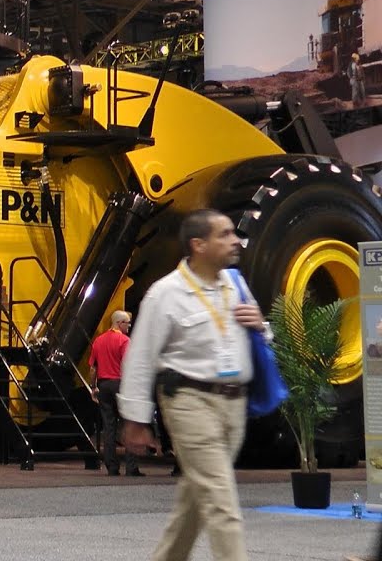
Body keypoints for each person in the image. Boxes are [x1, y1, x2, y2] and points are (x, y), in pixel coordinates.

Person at [119, 208, 267, 561]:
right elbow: (140, 357)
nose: (235, 241)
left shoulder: (236, 286)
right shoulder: (165, 293)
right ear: (199, 245)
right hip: (189, 402)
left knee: (196, 501)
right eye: (225, 234)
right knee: (221, 502)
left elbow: (262, 339)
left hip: (233, 406)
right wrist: (136, 419)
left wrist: (261, 325)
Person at [90, 309, 143, 477]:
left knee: (109, 426)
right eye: (127, 323)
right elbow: (128, 364)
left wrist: (93, 387)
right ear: (119, 323)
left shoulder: (98, 341)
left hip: (104, 385)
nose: (129, 326)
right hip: (121, 384)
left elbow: (93, 368)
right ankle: (131, 467)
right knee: (129, 424)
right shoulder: (124, 341)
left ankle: (112, 467)